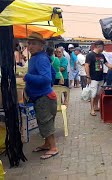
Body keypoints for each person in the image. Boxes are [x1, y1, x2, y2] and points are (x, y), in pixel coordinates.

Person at [24, 32, 58, 160]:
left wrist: (28, 77)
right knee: (43, 122)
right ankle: (47, 144)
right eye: (29, 43)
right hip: (43, 96)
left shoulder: (41, 58)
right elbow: (53, 73)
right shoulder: (37, 57)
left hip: (44, 98)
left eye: (33, 44)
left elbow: (46, 78)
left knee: (46, 122)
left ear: (41, 46)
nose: (30, 46)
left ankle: (53, 148)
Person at [85, 40, 107, 116]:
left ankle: (96, 106)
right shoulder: (90, 55)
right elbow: (86, 65)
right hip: (93, 78)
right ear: (99, 46)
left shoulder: (102, 55)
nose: (103, 48)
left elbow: (107, 64)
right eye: (103, 46)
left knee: (98, 93)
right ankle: (92, 109)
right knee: (93, 94)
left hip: (101, 77)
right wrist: (88, 76)